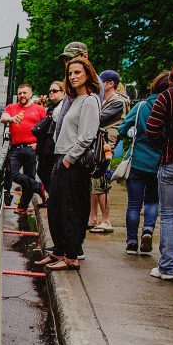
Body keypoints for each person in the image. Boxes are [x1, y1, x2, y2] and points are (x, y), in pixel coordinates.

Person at [35, 57, 101, 272]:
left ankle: (71, 256)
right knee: (55, 208)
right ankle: (59, 251)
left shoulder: (90, 101)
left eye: (77, 72)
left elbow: (87, 136)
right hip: (61, 157)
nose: (72, 77)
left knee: (70, 209)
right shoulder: (74, 100)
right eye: (70, 73)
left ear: (88, 74)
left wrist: (68, 159)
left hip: (72, 161)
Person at [118, 71, 168, 255]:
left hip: (137, 161)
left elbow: (122, 129)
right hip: (159, 163)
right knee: (153, 201)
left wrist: (132, 132)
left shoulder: (141, 106)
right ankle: (148, 230)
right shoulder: (170, 108)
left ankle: (131, 242)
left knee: (133, 204)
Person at [145, 52, 173, 281]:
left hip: (171, 162)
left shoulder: (168, 96)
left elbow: (152, 129)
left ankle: (168, 267)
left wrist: (165, 145)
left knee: (168, 214)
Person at [88, 70, 130, 233]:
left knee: (102, 183)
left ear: (110, 83)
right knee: (94, 183)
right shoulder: (104, 100)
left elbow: (98, 118)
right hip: (97, 144)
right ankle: (93, 218)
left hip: (105, 146)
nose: (97, 85)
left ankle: (106, 221)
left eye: (101, 82)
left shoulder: (117, 102)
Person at [1, 83, 48, 214]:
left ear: (31, 94)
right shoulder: (11, 107)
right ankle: (39, 187)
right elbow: (3, 118)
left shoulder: (39, 109)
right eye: (20, 93)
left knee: (29, 176)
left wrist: (39, 144)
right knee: (14, 175)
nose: (22, 95)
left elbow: (47, 129)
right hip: (15, 147)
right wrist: (11, 118)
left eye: (25, 93)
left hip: (31, 148)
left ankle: (23, 207)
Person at [31, 81, 65, 204]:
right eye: (50, 91)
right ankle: (51, 198)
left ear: (63, 92)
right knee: (42, 171)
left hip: (54, 146)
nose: (51, 93)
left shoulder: (63, 107)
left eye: (55, 91)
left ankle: (54, 200)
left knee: (50, 173)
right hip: (45, 145)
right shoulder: (52, 108)